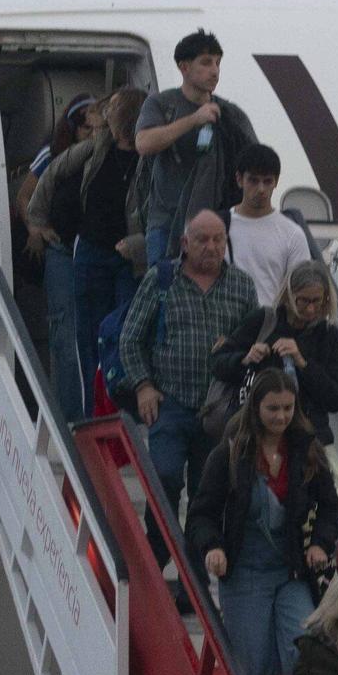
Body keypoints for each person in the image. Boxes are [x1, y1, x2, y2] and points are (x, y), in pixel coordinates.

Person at [188, 368, 338, 675]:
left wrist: (320, 543)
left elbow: (331, 509)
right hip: (245, 574)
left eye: (288, 408)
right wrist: (213, 546)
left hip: (292, 572)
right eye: (273, 408)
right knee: (257, 668)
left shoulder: (308, 451)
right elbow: (201, 514)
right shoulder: (229, 454)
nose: (281, 416)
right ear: (255, 407)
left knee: (304, 653)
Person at [119, 209, 259, 576]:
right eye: (202, 239)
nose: (211, 247)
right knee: (163, 476)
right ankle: (159, 547)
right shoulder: (161, 281)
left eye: (218, 240)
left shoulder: (242, 286)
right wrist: (143, 386)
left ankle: (192, 585)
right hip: (170, 403)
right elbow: (130, 339)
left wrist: (238, 349)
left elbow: (254, 344)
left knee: (205, 498)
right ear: (185, 243)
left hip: (219, 411)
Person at [28, 87, 145, 422]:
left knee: (123, 337)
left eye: (115, 109)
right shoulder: (96, 149)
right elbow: (52, 173)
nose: (106, 113)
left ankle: (120, 415)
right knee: (86, 337)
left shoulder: (148, 158)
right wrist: (37, 219)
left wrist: (138, 244)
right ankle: (87, 416)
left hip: (126, 257)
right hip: (91, 250)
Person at [134, 29, 257, 267]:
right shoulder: (162, 104)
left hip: (214, 225)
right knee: (163, 292)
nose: (214, 70)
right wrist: (193, 120)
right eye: (206, 62)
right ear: (184, 67)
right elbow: (144, 143)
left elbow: (256, 162)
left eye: (218, 63)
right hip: (165, 223)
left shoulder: (230, 114)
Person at [17, 93, 97, 422]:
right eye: (85, 128)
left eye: (97, 128)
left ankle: (92, 410)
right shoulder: (53, 155)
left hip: (94, 249)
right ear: (72, 127)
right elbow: (25, 195)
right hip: (63, 249)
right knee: (65, 332)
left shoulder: (108, 153)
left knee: (92, 333)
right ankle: (68, 415)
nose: (91, 135)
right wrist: (37, 228)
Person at [210, 260, 338, 440]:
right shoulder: (264, 320)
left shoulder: (329, 335)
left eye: (317, 301)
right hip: (257, 434)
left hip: (307, 438)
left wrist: (303, 363)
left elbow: (337, 398)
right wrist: (245, 358)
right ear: (290, 295)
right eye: (303, 301)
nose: (310, 308)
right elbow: (217, 363)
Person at [225, 143, 312, 306]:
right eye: (253, 180)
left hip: (271, 326)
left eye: (267, 181)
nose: (261, 189)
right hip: (226, 326)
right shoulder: (218, 229)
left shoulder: (292, 234)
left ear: (276, 182)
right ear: (239, 179)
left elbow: (301, 290)